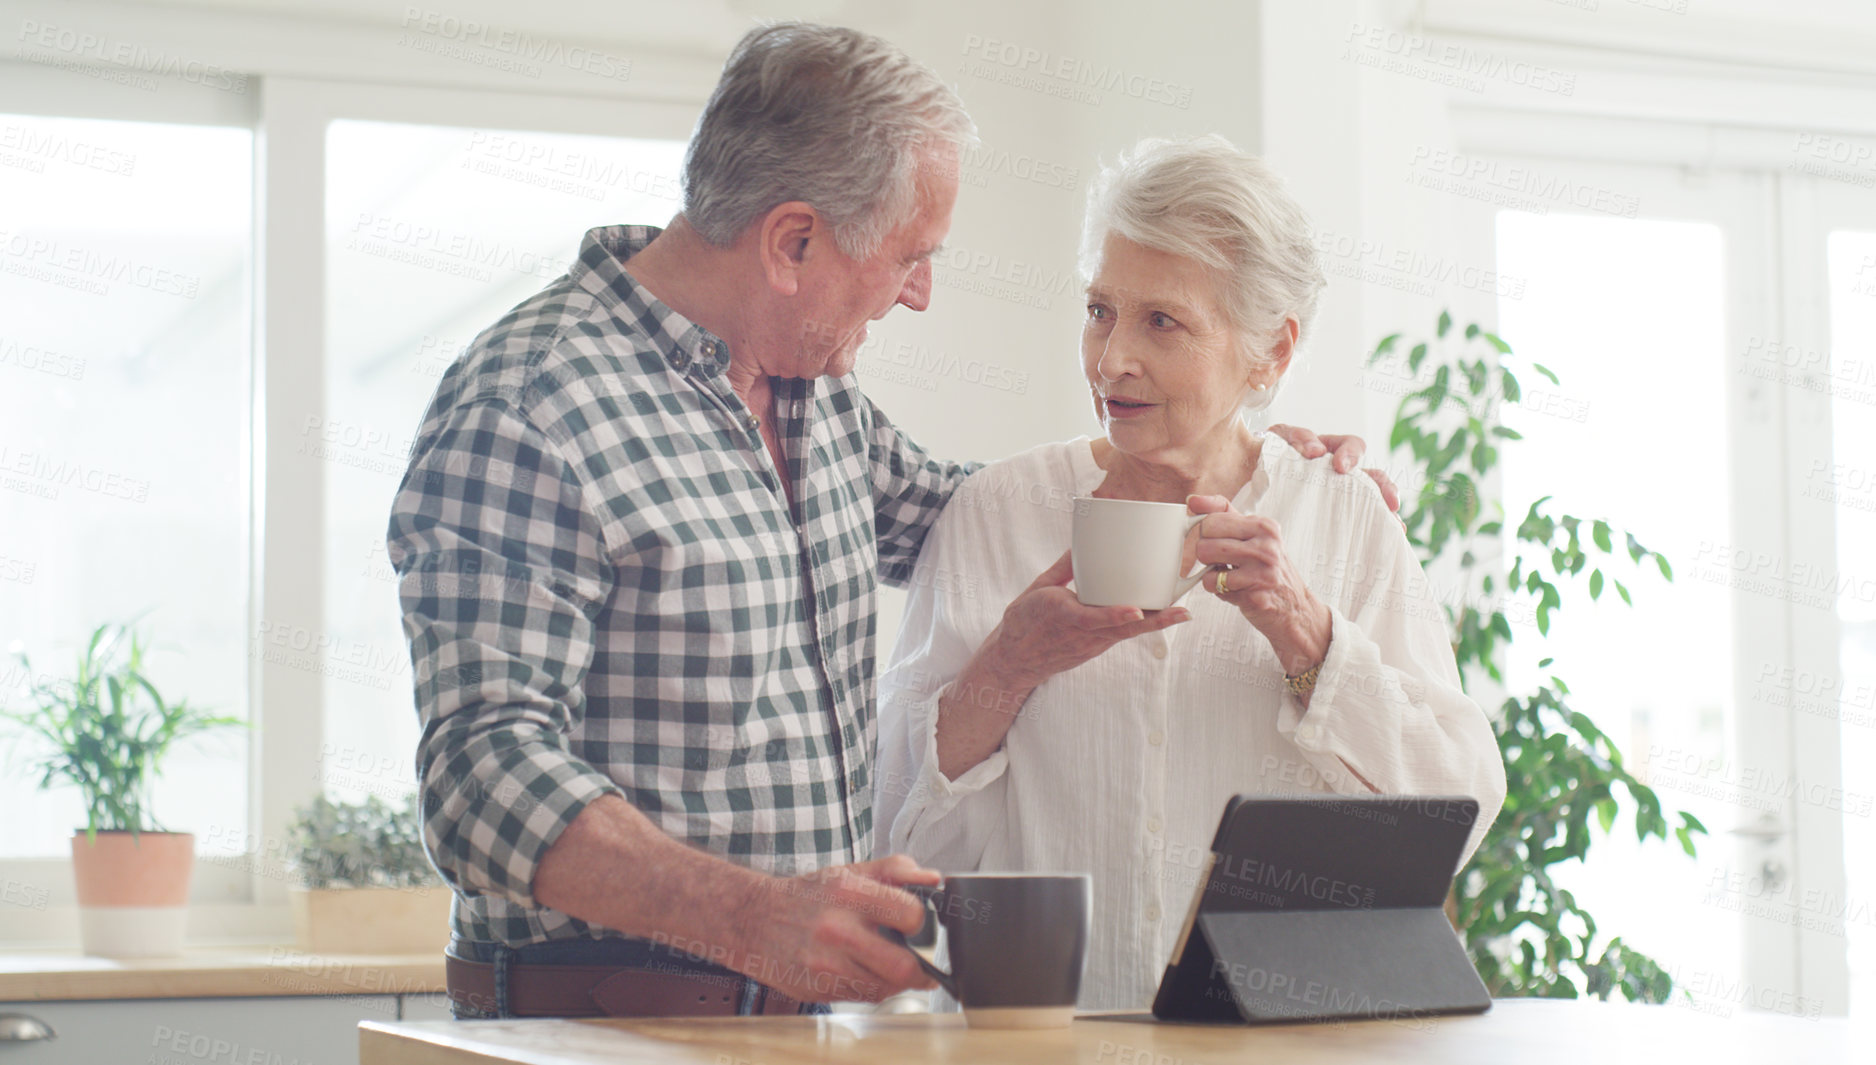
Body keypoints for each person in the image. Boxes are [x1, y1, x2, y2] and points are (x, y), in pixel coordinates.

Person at [388, 24, 1387, 1020]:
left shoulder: (809, 398)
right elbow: (479, 780)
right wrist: (753, 918)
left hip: (796, 1020)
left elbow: (988, 516)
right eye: (911, 255)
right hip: (607, 1023)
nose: (918, 292)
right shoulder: (530, 404)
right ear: (793, 242)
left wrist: (1241, 447)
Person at [873, 135, 1507, 1011]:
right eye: (1100, 310)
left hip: (1284, 1040)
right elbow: (900, 837)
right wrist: (1008, 666)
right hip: (1045, 1041)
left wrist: (1310, 639)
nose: (1111, 358)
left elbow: (1457, 807)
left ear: (1271, 354)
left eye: (1160, 321)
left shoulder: (1346, 514)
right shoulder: (996, 511)